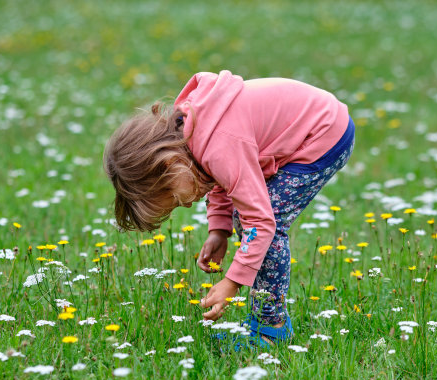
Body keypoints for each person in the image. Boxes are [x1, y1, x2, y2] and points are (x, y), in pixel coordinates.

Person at [104, 70, 355, 347]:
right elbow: (225, 178)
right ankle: (263, 321)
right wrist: (219, 229)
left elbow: (261, 221)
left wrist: (232, 282)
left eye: (176, 199)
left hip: (324, 133)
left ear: (167, 166)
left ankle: (270, 329)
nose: (187, 204)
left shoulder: (220, 143)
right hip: (314, 122)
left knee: (265, 224)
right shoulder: (192, 132)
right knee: (246, 220)